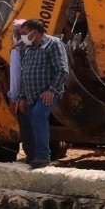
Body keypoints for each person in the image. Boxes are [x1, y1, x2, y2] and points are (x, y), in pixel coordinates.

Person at [12, 18, 67, 168]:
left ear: (34, 32)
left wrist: (51, 90)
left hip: (48, 94)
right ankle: (34, 156)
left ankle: (43, 156)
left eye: (23, 33)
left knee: (38, 115)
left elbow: (62, 70)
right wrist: (22, 97)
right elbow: (25, 74)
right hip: (31, 95)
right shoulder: (28, 49)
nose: (21, 36)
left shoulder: (53, 44)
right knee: (31, 122)